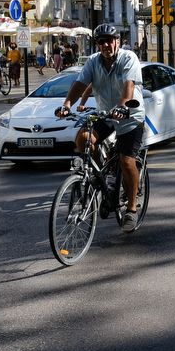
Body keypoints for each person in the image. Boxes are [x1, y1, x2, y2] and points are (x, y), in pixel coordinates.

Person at [56, 23, 147, 232]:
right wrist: (67, 104)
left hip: (130, 115)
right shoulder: (93, 62)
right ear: (97, 44)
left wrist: (123, 105)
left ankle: (132, 208)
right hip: (106, 113)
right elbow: (80, 84)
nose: (106, 45)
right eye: (101, 41)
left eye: (110, 40)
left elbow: (129, 85)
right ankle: (100, 177)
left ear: (117, 41)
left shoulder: (128, 58)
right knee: (83, 138)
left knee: (126, 161)